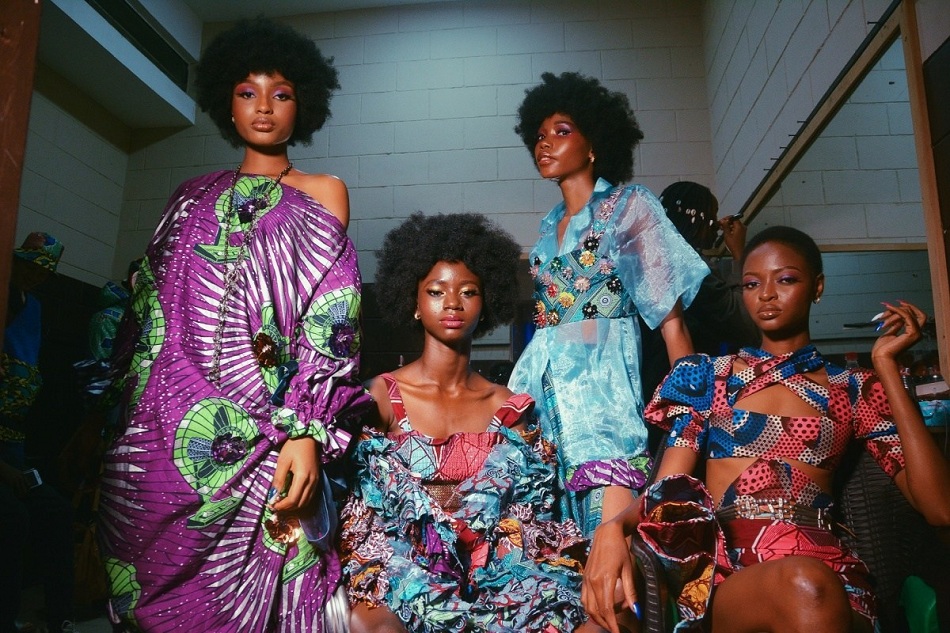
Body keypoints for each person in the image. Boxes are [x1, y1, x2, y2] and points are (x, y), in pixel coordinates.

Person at [98, 19, 370, 632]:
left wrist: (306, 430)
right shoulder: (189, 195)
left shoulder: (323, 191)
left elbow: (331, 314)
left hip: (266, 433)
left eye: (281, 93)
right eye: (248, 92)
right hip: (163, 429)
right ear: (227, 101)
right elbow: (151, 315)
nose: (264, 106)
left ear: (304, 105)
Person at [582, 226, 950, 633]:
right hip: (728, 574)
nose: (767, 295)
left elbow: (939, 508)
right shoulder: (708, 377)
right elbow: (667, 490)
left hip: (830, 575)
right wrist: (614, 527)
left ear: (818, 287)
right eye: (752, 284)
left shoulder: (853, 388)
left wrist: (886, 368)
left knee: (808, 584)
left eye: (786, 279)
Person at [339, 213, 589, 632]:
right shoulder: (380, 397)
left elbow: (531, 511)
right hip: (400, 569)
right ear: (414, 302)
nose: (452, 303)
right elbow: (359, 506)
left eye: (468, 291)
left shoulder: (508, 406)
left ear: (486, 302)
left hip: (497, 573)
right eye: (436, 291)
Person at [507, 72, 709, 539]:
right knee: (552, 558)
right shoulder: (545, 234)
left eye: (561, 131)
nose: (545, 143)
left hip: (604, 414)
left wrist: (690, 418)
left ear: (594, 144)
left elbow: (672, 323)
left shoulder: (627, 206)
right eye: (539, 135)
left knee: (610, 550)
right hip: (540, 412)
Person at [0, 232, 76, 633]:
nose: (35, 275)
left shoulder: (34, 308)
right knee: (13, 520)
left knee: (56, 512)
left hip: (15, 445)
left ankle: (61, 615)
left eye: (43, 271)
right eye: (29, 266)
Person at [639, 181, 760, 422]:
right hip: (685, 392)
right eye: (711, 217)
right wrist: (740, 255)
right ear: (697, 220)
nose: (716, 227)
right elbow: (745, 324)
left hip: (648, 387)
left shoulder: (646, 260)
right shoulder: (691, 269)